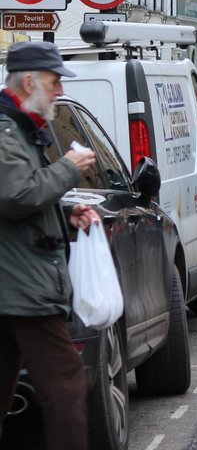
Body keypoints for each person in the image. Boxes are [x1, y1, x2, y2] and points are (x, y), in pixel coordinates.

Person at [0, 41, 99, 450]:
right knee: (66, 384)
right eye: (54, 82)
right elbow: (14, 197)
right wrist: (67, 169)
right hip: (22, 286)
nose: (59, 91)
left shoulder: (20, 128)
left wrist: (65, 216)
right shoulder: (6, 131)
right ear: (29, 81)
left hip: (16, 282)